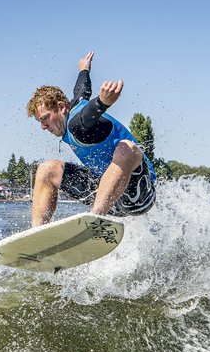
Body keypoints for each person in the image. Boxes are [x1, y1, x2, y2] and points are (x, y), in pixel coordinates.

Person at [26, 51, 156, 227]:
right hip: (107, 195)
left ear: (61, 107)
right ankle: (36, 236)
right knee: (46, 170)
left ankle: (95, 222)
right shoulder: (75, 106)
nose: (43, 126)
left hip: (138, 196)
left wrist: (102, 103)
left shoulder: (75, 124)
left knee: (126, 148)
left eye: (44, 118)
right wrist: (84, 70)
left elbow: (86, 118)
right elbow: (81, 90)